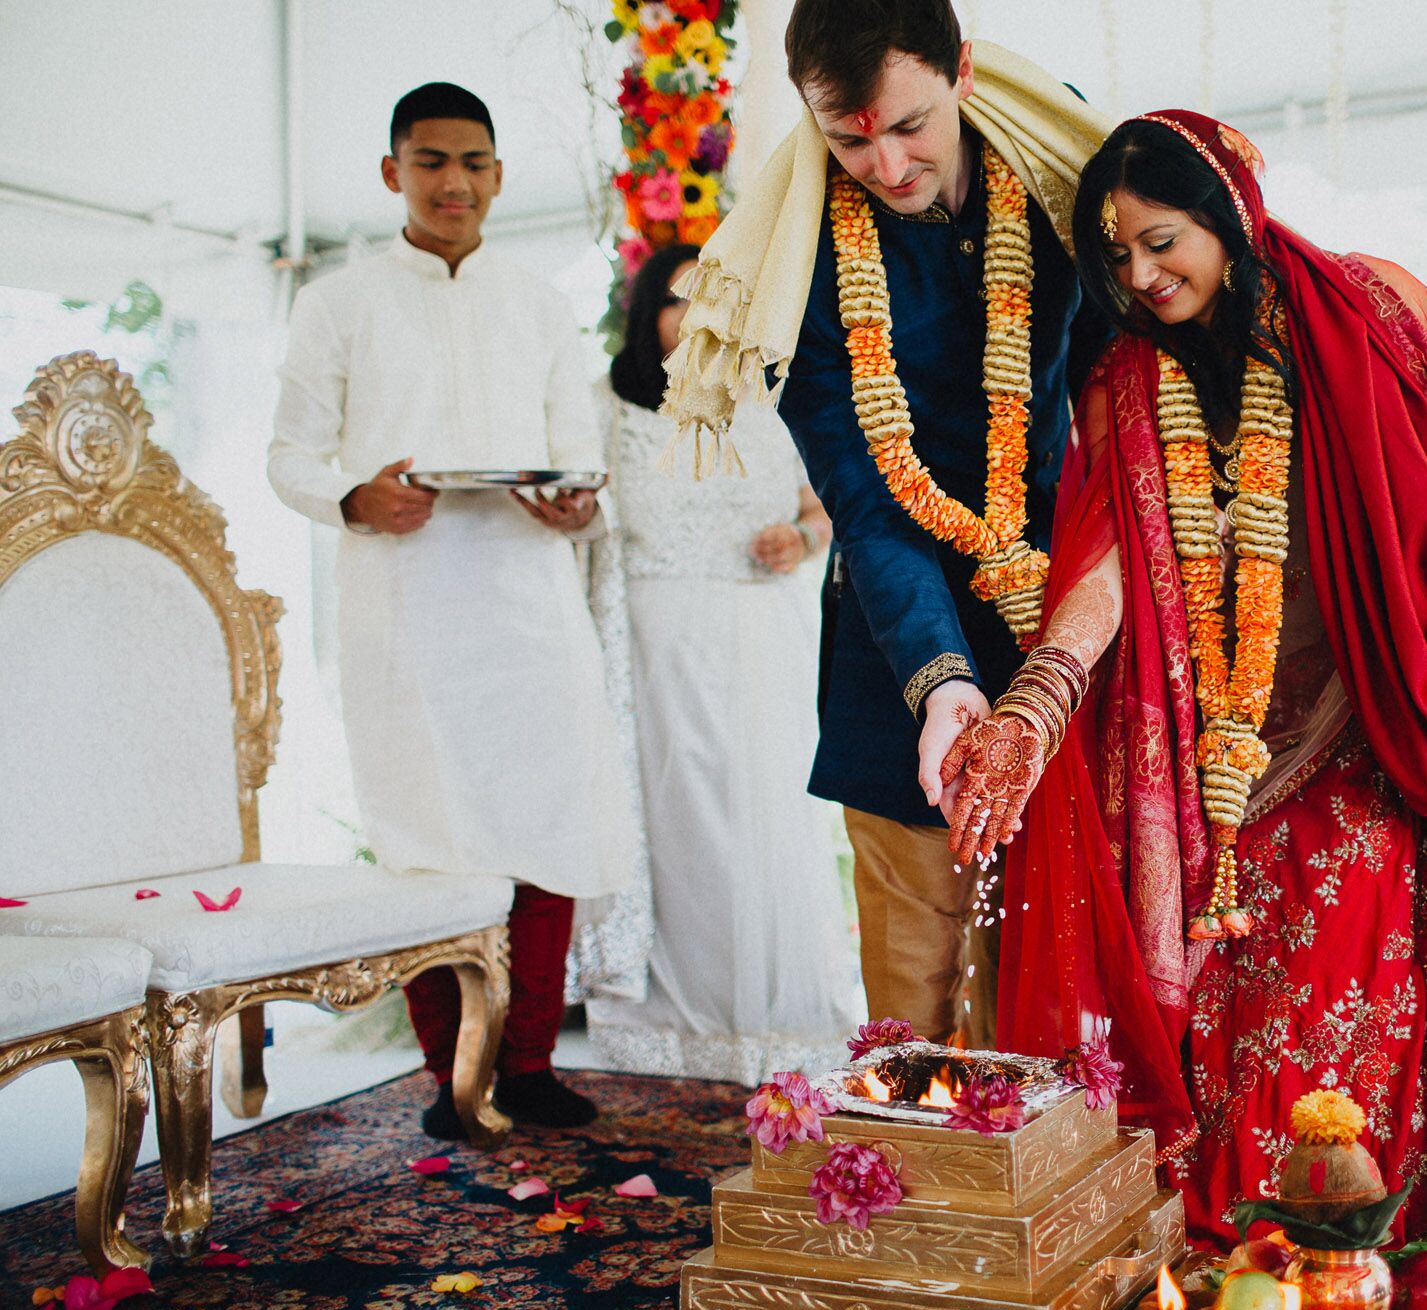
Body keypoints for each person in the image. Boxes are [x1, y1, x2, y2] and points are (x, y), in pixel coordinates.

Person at [942, 112, 1427, 1292]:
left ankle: (1421, 1257)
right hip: (1221, 758)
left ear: (1226, 213)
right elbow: (1103, 573)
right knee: (1237, 989)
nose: (1142, 277)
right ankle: (1273, 1263)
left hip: (1382, 721)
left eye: (1161, 242)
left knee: (1410, 930)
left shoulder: (1364, 315)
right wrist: (1034, 704)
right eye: (1115, 260)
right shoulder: (1125, 382)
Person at [658, 0, 1111, 1047]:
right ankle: (912, 1195)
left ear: (959, 70)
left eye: (906, 123)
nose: (886, 161)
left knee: (1050, 965)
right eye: (847, 135)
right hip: (896, 632)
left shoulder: (1057, 174)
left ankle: (1043, 1188)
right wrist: (941, 679)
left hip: (1058, 609)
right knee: (912, 968)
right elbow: (865, 501)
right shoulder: (796, 261)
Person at [267, 82, 638, 1139]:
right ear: (393, 173)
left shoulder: (535, 299)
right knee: (431, 840)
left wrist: (573, 499)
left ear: (499, 175)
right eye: (431, 162)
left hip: (525, 601)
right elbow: (288, 455)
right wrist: (354, 496)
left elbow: (583, 446)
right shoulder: (336, 301)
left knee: (547, 826)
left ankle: (524, 1066)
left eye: (474, 162)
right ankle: (449, 1078)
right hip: (407, 608)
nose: (454, 183)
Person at [580, 244, 861, 1083]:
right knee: (675, 822)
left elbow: (830, 506)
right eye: (675, 303)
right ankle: (668, 1017)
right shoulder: (609, 404)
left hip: (760, 640)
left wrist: (803, 537)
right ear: (644, 316)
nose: (694, 319)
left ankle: (774, 1018)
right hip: (653, 648)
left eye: (713, 302)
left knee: (765, 819)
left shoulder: (776, 401)